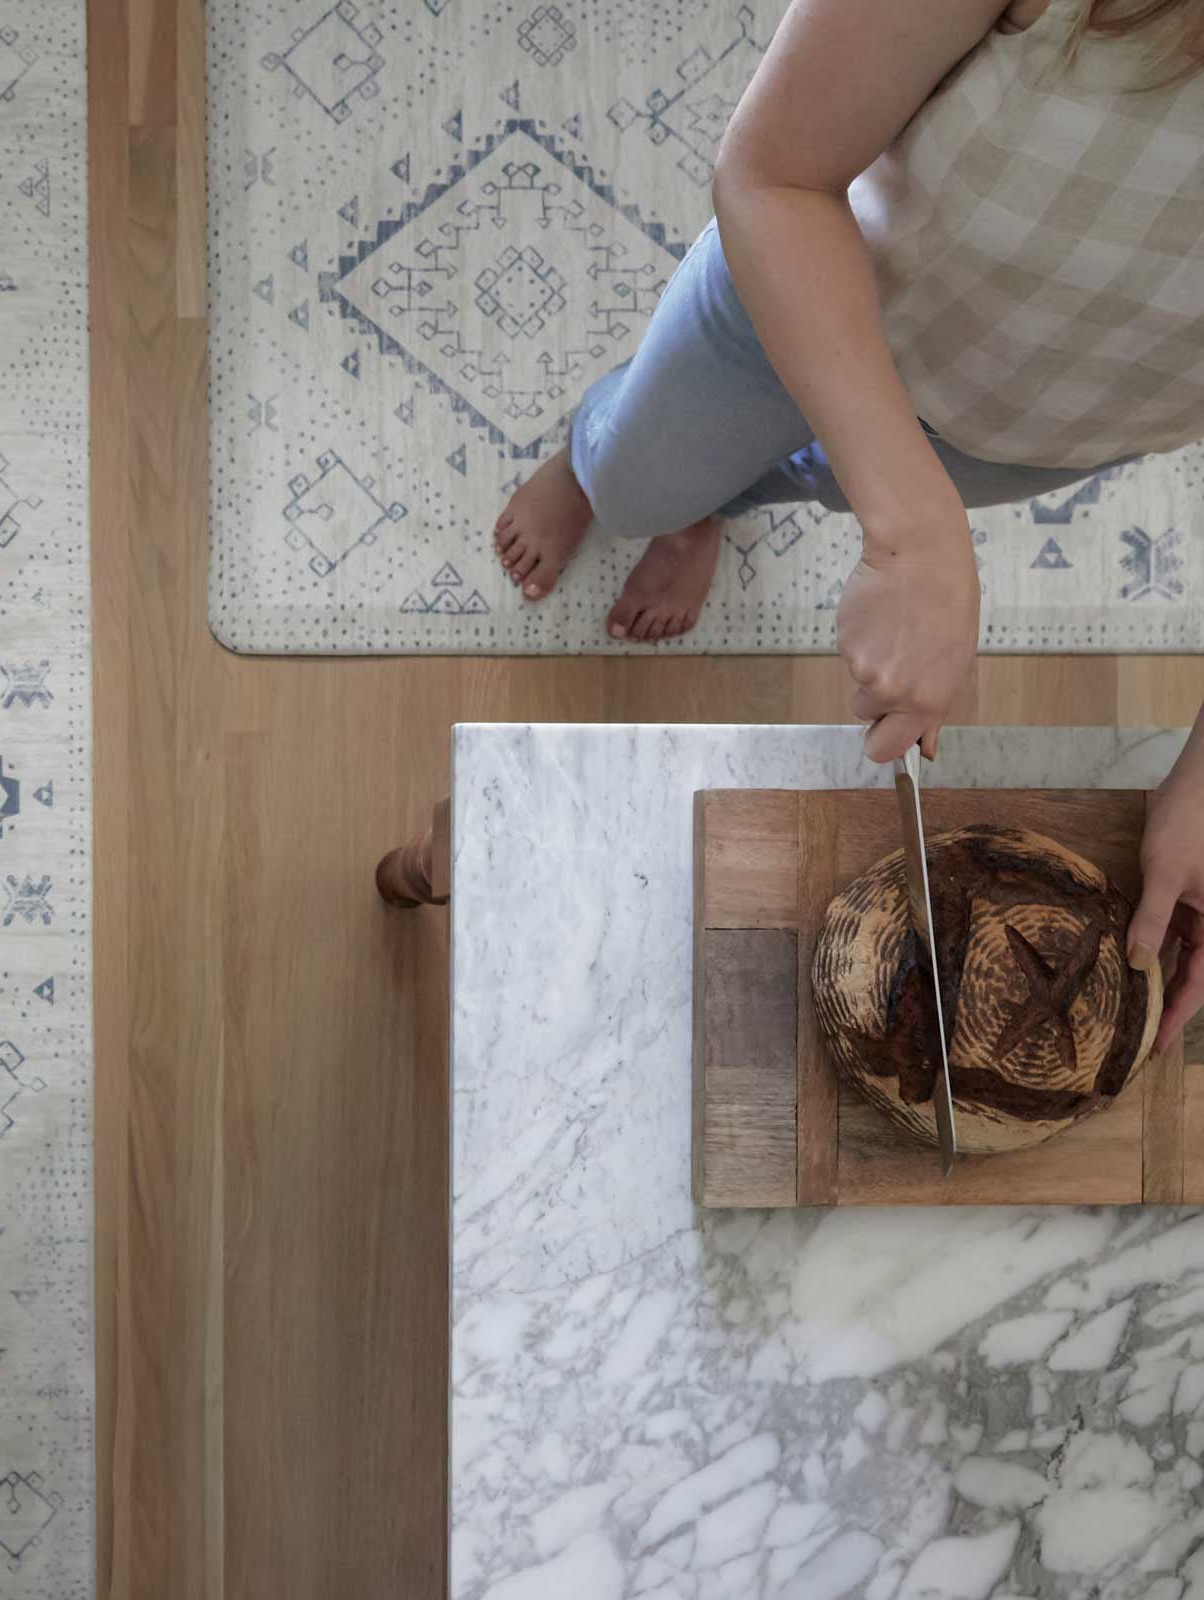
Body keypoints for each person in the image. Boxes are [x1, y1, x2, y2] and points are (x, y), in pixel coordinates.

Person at [491, 0, 1204, 1045]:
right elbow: (772, 172)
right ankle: (598, 459)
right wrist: (914, 533)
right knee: (639, 476)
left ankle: (714, 506)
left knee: (818, 481)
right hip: (814, 287)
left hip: (1045, 423)